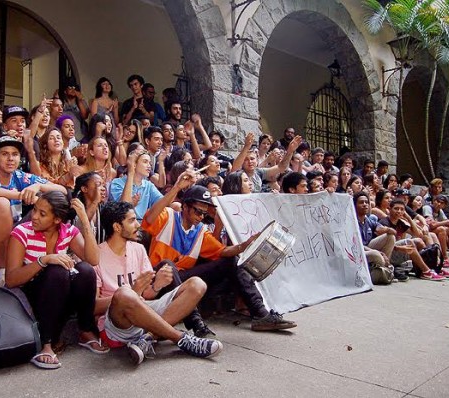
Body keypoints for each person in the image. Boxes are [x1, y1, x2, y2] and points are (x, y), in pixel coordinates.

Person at [143, 177, 297, 332]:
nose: (201, 217)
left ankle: (261, 314)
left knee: (230, 261)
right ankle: (196, 323)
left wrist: (245, 244)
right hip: (161, 279)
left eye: (204, 213)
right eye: (197, 211)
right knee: (168, 265)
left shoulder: (201, 230)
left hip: (184, 279)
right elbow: (149, 218)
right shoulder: (168, 216)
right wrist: (176, 188)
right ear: (185, 206)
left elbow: (223, 251)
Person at [94, 201, 222, 365]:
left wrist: (156, 286)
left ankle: (148, 338)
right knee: (124, 293)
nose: (138, 225)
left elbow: (147, 295)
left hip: (144, 312)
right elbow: (93, 307)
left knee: (197, 284)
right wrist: (133, 292)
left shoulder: (138, 249)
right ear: (117, 227)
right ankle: (181, 339)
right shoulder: (96, 255)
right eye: (132, 220)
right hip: (117, 323)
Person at [6, 191, 108, 369]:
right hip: (31, 299)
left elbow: (93, 260)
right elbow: (11, 280)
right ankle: (46, 344)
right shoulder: (21, 232)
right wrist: (43, 260)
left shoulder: (68, 231)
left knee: (85, 270)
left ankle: (85, 330)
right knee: (56, 271)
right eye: (35, 210)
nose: (34, 216)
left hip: (58, 296)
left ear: (57, 220)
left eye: (42, 214)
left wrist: (84, 220)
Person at [0, 136, 67, 274]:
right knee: (1, 203)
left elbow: (62, 190)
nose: (10, 158)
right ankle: (4, 273)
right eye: (5, 154)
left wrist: (38, 185)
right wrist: (19, 195)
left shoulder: (20, 176)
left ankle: (50, 261)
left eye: (15, 154)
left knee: (51, 206)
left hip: (16, 236)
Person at [378, 199, 449, 280]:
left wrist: (408, 218)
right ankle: (426, 271)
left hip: (399, 251)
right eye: (396, 208)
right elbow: (383, 246)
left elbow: (418, 234)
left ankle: (432, 268)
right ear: (390, 209)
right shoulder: (384, 222)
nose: (399, 211)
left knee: (419, 241)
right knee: (409, 242)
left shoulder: (400, 223)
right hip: (387, 255)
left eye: (402, 209)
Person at [353, 192, 399, 283]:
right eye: (361, 202)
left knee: (390, 237)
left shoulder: (368, 220)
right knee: (376, 255)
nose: (365, 205)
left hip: (368, 249)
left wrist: (386, 229)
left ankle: (385, 270)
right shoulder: (352, 221)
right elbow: (358, 245)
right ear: (354, 205)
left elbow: (390, 231)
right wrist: (378, 252)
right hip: (357, 252)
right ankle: (383, 271)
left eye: (366, 202)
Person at [233, 133, 301, 193]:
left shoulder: (258, 172)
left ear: (256, 160)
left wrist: (290, 151)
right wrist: (246, 146)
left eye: (252, 159)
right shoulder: (239, 174)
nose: (250, 162)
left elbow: (281, 167)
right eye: (246, 160)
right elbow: (235, 168)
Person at [109, 150, 163, 221]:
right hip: (124, 224)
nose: (149, 166)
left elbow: (163, 203)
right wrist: (131, 172)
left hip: (143, 225)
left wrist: (176, 188)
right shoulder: (117, 183)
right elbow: (123, 210)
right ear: (134, 164)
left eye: (150, 163)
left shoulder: (148, 185)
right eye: (145, 162)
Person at [422, 195, 449, 265]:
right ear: (433, 201)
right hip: (424, 230)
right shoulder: (427, 208)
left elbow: (446, 222)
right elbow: (432, 225)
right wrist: (448, 221)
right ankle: (445, 257)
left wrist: (448, 222)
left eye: (442, 203)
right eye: (437, 201)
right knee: (441, 229)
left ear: (444, 206)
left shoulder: (439, 211)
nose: (439, 204)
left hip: (433, 229)